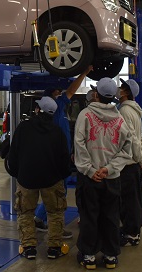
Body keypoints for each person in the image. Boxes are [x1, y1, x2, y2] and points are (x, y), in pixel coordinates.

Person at [74, 77, 133, 270]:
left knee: (89, 215)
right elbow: (127, 150)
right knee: (111, 216)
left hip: (89, 178)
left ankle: (89, 256)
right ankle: (110, 256)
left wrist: (90, 170)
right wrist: (109, 168)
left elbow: (79, 145)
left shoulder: (85, 115)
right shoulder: (120, 119)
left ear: (96, 95)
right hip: (111, 179)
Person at [6, 96, 72, 260]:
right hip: (52, 180)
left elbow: (13, 154)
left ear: (37, 110)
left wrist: (18, 173)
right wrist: (62, 175)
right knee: (55, 213)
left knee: (25, 213)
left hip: (27, 179)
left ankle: (28, 248)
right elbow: (65, 159)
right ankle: (54, 248)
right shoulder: (57, 131)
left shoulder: (23, 128)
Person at [34, 65, 93, 237]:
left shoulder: (52, 109)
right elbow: (72, 90)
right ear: (55, 93)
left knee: (57, 191)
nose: (62, 92)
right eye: (59, 90)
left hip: (59, 156)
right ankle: (55, 229)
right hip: (57, 158)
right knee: (59, 192)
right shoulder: (57, 105)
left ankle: (40, 218)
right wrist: (84, 72)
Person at [117, 79, 142, 247]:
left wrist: (141, 159)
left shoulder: (124, 111)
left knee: (129, 201)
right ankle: (133, 230)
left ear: (126, 93)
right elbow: (141, 137)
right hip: (134, 162)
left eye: (122, 87)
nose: (118, 89)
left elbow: (132, 138)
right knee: (134, 199)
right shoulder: (135, 110)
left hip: (128, 163)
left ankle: (131, 234)